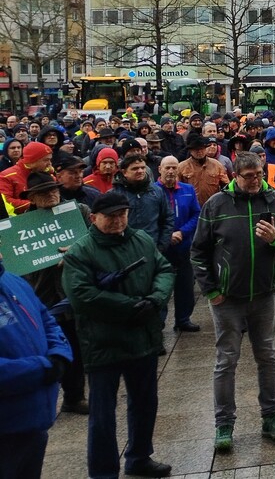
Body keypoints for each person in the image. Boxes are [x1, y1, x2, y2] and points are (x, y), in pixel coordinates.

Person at [62, 191, 175, 479]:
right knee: (102, 415)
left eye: (122, 214)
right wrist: (130, 307)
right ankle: (103, 472)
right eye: (111, 216)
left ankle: (139, 456)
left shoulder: (141, 239)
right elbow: (82, 296)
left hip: (142, 338)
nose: (118, 220)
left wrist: (155, 300)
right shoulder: (81, 251)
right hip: (103, 343)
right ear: (93, 218)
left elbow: (163, 269)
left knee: (145, 403)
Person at [190, 151, 275, 453]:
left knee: (268, 356)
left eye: (259, 174)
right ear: (235, 175)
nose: (255, 181)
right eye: (248, 176)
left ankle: (271, 416)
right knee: (227, 360)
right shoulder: (217, 204)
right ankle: (224, 423)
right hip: (227, 298)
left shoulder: (274, 201)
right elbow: (198, 252)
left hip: (263, 295)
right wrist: (211, 290)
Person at [18, 173, 91, 414]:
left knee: (79, 345)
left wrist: (78, 249)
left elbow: (97, 237)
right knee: (55, 346)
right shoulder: (20, 227)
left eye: (54, 190)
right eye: (43, 192)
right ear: (31, 198)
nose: (51, 195)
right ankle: (65, 395)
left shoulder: (77, 211)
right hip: (43, 297)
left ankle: (75, 395)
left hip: (78, 290)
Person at [0, 238, 73, 479]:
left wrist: (60, 354)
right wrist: (42, 368)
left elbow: (46, 319)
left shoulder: (12, 280)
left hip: (34, 422)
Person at [156, 156, 201, 333]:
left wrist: (182, 232)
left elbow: (196, 214)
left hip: (184, 245)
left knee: (185, 286)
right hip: (162, 248)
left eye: (174, 168)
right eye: (167, 168)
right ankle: (159, 324)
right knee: (161, 288)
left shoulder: (188, 190)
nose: (171, 171)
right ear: (160, 169)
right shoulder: (153, 191)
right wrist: (167, 235)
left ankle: (183, 319)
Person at [0, 140, 53, 213]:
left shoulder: (46, 172)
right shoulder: (6, 176)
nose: (49, 163)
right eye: (46, 160)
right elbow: (5, 202)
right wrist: (36, 204)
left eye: (50, 160)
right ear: (33, 161)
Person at [177, 135, 228, 209]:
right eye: (196, 149)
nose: (199, 152)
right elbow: (177, 188)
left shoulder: (217, 165)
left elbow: (226, 186)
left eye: (201, 149)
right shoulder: (181, 167)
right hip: (190, 207)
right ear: (190, 151)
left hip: (213, 206)